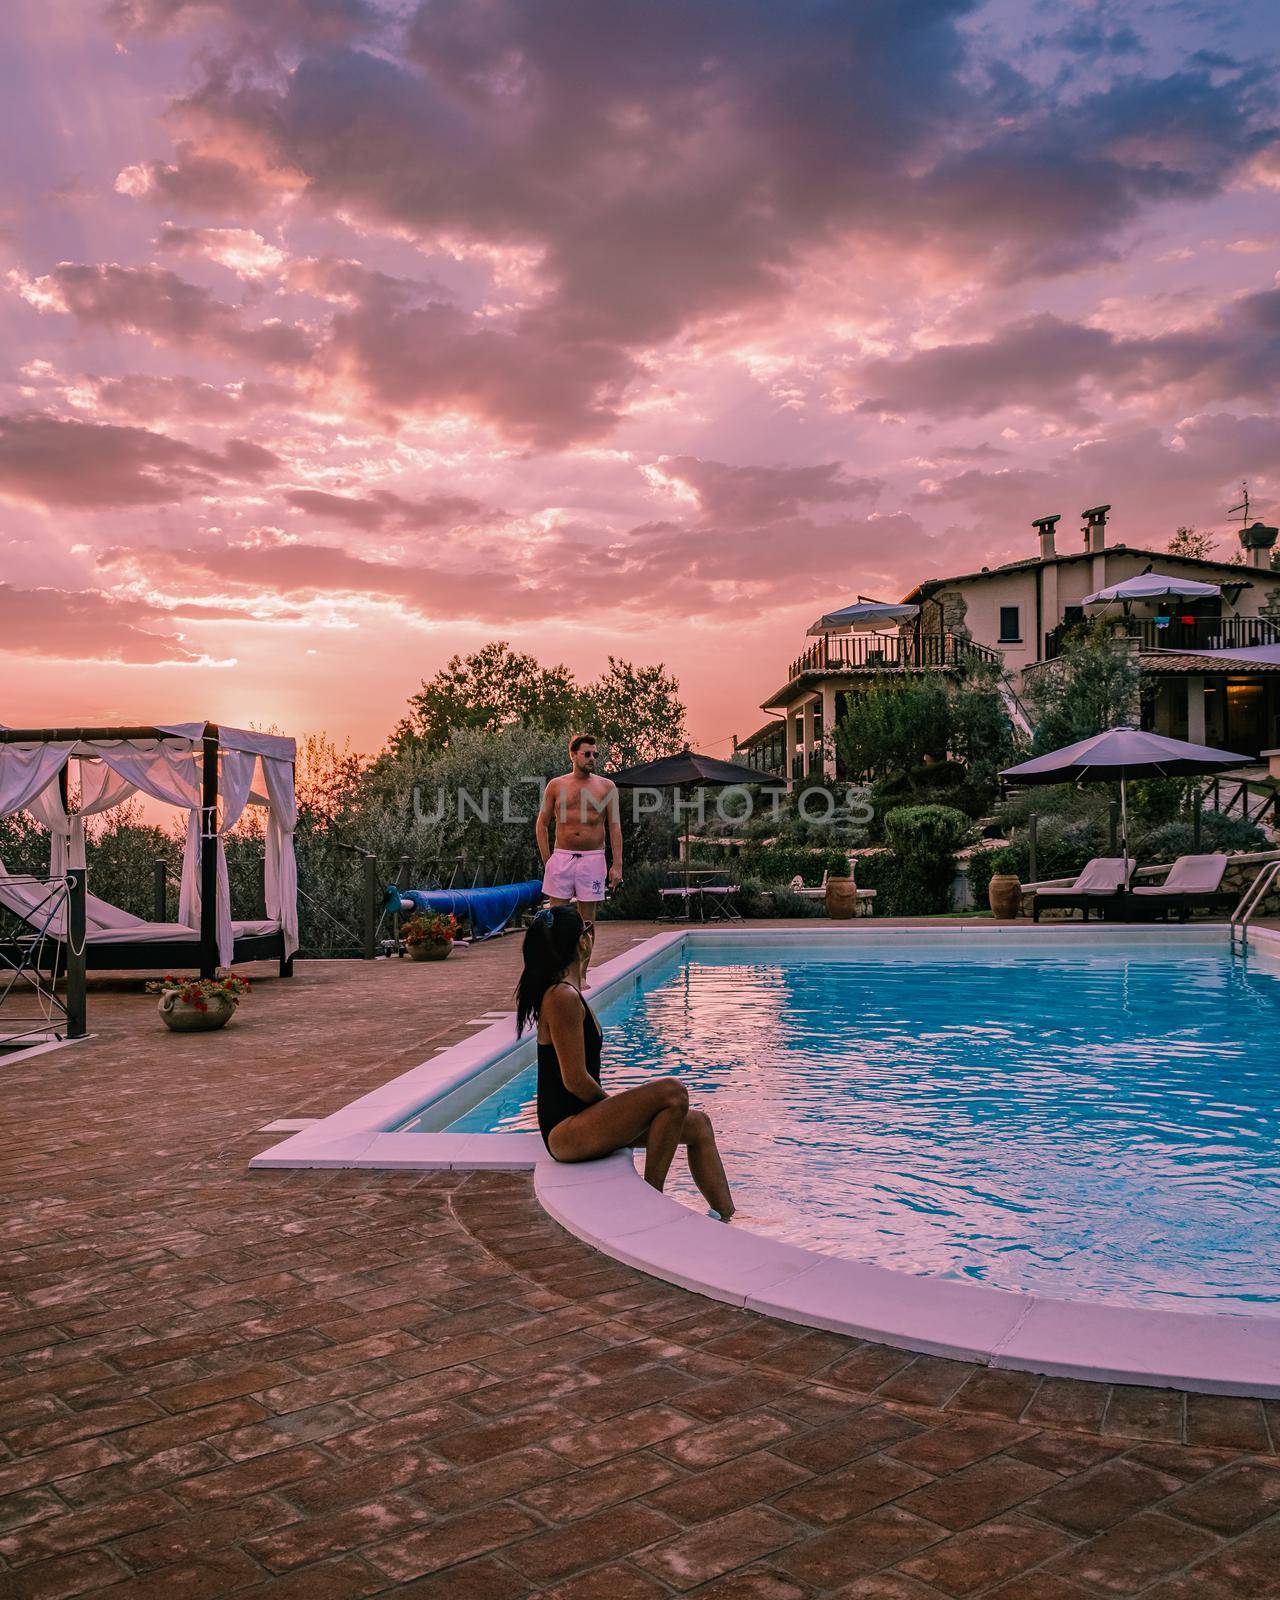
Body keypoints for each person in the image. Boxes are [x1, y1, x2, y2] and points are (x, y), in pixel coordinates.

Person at [516, 905, 734, 1218]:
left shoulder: (568, 993)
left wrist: (623, 1115)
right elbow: (574, 1079)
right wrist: (617, 1111)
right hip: (566, 1133)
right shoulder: (561, 996)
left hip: (582, 1122)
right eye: (587, 928)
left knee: (698, 1126)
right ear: (582, 942)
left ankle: (726, 1216)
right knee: (673, 1092)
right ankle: (649, 1202)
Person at [535, 732, 622, 978]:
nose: (592, 758)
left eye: (595, 754)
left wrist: (617, 866)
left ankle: (581, 974)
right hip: (561, 858)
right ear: (573, 755)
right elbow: (541, 823)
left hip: (593, 859)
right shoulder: (556, 785)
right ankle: (559, 971)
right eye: (587, 754)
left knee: (587, 921)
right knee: (556, 918)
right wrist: (548, 859)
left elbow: (614, 827)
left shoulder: (607, 787)